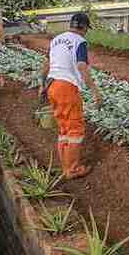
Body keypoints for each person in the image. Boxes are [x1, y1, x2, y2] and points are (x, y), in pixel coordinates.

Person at [40, 12, 102, 180]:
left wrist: (42, 85)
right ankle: (72, 169)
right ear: (82, 27)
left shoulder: (56, 40)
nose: (85, 32)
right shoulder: (80, 41)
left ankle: (66, 166)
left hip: (52, 85)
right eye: (86, 29)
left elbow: (46, 64)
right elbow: (81, 66)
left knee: (63, 128)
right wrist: (95, 91)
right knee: (75, 128)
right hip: (66, 87)